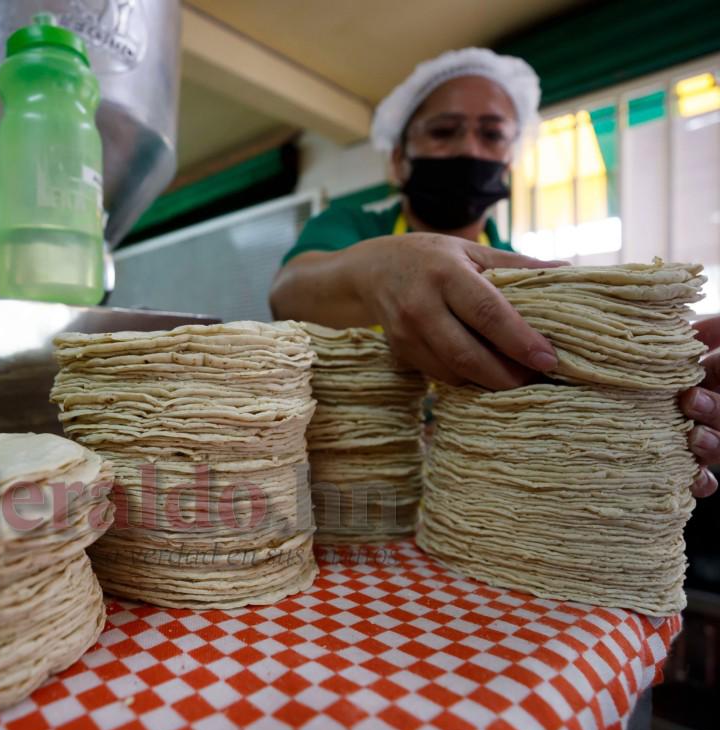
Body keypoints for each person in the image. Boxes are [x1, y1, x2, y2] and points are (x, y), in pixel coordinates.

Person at [270, 47, 719, 497]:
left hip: (472, 497)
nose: (468, 148)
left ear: (509, 161)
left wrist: (650, 402)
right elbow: (289, 292)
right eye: (444, 131)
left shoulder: (526, 279)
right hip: (346, 493)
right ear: (398, 159)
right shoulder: (351, 227)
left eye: (491, 134)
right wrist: (379, 270)